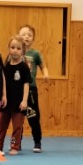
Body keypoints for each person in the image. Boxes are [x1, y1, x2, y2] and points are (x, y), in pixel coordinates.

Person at [0, 35, 31, 155]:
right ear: (8, 48)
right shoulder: (5, 66)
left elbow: (26, 84)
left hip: (18, 102)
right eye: (12, 47)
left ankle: (14, 146)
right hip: (5, 101)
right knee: (1, 126)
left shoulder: (24, 67)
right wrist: (1, 96)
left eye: (18, 48)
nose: (15, 50)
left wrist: (24, 100)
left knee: (17, 127)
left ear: (22, 51)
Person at [19, 23, 49, 152]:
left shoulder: (35, 54)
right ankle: (16, 143)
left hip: (31, 89)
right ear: (18, 36)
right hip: (17, 90)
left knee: (33, 116)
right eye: (23, 34)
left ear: (33, 39)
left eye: (29, 35)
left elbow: (43, 66)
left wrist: (46, 74)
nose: (26, 37)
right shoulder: (15, 51)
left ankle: (37, 142)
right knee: (17, 119)